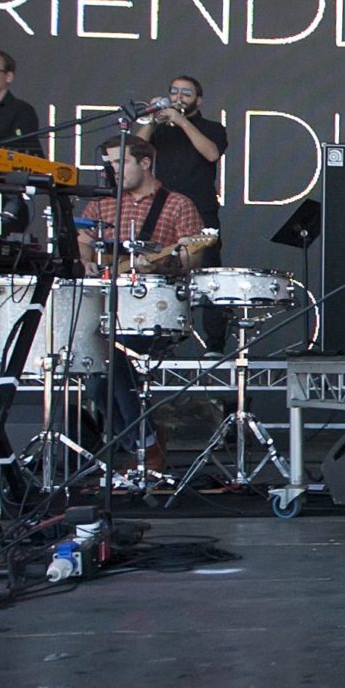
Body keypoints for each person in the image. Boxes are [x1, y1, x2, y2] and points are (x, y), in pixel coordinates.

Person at [81, 138, 208, 468]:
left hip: (154, 314)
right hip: (104, 311)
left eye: (120, 163)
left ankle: (145, 445)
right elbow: (81, 240)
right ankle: (145, 439)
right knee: (94, 374)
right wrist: (85, 262)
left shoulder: (178, 204)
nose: (113, 170)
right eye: (108, 164)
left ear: (145, 163)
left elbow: (193, 256)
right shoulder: (101, 204)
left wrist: (160, 264)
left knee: (110, 354)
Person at [134, 74, 230, 350]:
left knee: (208, 274)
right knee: (157, 271)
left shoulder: (212, 128)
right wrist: (149, 119)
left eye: (185, 93)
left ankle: (215, 345)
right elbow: (135, 152)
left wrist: (182, 121)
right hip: (163, 211)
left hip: (201, 210)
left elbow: (211, 154)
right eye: (173, 91)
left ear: (198, 100)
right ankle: (157, 341)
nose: (178, 97)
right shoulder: (159, 129)